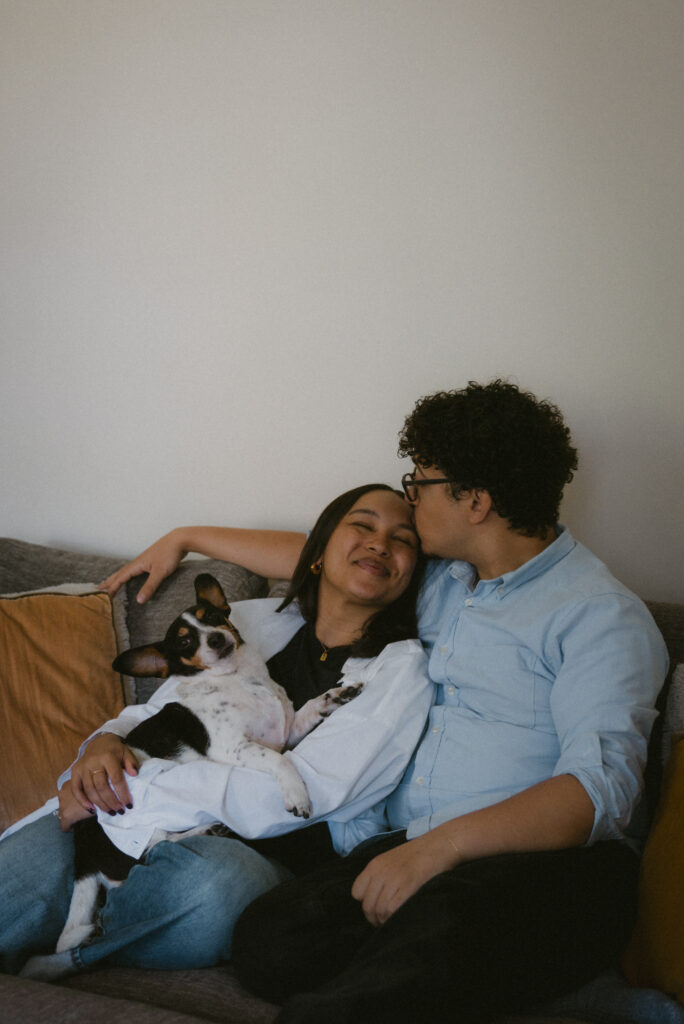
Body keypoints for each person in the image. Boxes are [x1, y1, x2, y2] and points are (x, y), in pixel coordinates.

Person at [102, 381, 668, 1023]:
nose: (409, 497)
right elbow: (325, 560)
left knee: (441, 925)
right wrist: (187, 536)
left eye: (419, 483)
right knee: (270, 942)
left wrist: (438, 851)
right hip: (411, 846)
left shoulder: (599, 617)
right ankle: (554, 994)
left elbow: (601, 789)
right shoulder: (449, 583)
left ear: (475, 501)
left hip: (547, 864)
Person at [0, 484, 433, 979]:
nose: (380, 544)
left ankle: (75, 950)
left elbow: (305, 793)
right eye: (363, 525)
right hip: (117, 806)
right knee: (13, 883)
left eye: (403, 539)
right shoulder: (246, 621)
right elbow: (160, 715)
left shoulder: (400, 671)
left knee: (218, 889)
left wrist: (136, 792)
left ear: (412, 573)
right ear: (318, 551)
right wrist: (105, 742)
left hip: (240, 849)